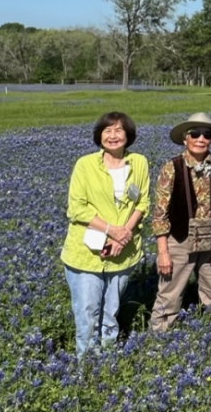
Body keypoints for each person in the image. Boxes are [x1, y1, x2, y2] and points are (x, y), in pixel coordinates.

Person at [60, 112, 149, 354]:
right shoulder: (85, 164)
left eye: (119, 130)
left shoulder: (139, 162)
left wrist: (123, 235)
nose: (113, 135)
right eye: (107, 130)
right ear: (99, 136)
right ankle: (87, 366)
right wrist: (112, 231)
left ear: (128, 135)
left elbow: (142, 204)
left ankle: (107, 361)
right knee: (88, 313)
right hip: (87, 253)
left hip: (123, 252)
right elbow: (76, 208)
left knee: (111, 311)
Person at [149, 112, 211, 332]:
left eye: (207, 134)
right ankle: (158, 337)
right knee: (170, 292)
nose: (201, 139)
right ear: (186, 138)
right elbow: (160, 214)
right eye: (195, 133)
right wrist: (163, 251)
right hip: (179, 238)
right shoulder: (171, 167)